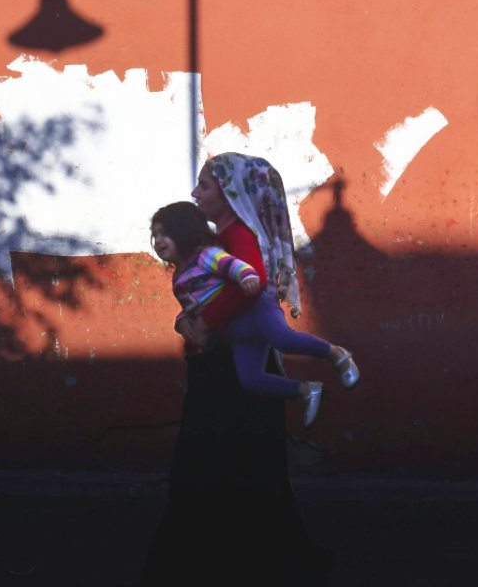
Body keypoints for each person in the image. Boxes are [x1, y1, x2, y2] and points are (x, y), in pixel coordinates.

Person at [141, 153, 338, 586]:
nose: (196, 194)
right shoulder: (223, 236)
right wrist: (188, 321)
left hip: (228, 369)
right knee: (244, 468)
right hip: (228, 363)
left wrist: (203, 324)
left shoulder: (240, 238)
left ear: (232, 192)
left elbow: (248, 289)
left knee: (217, 468)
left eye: (205, 186)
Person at [150, 200, 360, 427]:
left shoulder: (205, 256)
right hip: (238, 333)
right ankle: (306, 390)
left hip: (256, 311)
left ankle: (336, 354)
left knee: (284, 340)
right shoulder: (178, 278)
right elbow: (190, 307)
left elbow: (232, 265)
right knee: (250, 379)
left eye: (164, 233)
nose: (158, 241)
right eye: (155, 235)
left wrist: (246, 276)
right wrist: (181, 322)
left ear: (183, 231)